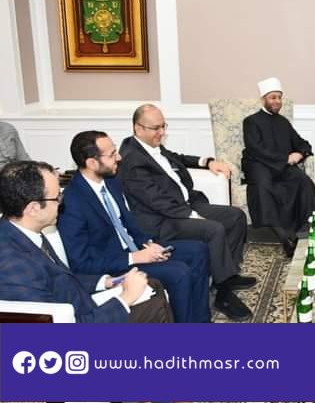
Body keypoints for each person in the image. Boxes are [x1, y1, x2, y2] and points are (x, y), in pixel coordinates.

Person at [119, 104, 255, 322]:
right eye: (155, 128)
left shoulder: (150, 145)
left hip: (184, 205)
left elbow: (177, 158)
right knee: (213, 229)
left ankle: (226, 275)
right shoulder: (132, 159)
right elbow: (156, 200)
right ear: (138, 128)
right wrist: (192, 215)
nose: (161, 132)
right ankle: (224, 294)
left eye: (163, 126)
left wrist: (207, 162)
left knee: (235, 217)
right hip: (163, 220)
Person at [59, 131, 211, 323]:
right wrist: (134, 257)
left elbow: (128, 222)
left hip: (136, 250)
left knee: (198, 250)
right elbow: (81, 263)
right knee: (178, 272)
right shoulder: (72, 202)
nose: (119, 157)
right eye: (112, 154)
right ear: (92, 163)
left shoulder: (111, 181)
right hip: (114, 265)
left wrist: (148, 243)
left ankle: (200, 322)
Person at [0, 160, 173, 323]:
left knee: (152, 286)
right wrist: (126, 298)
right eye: (57, 197)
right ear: (33, 208)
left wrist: (108, 281)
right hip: (82, 329)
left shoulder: (22, 231)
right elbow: (58, 333)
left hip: (79, 304)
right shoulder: (11, 264)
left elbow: (59, 280)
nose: (61, 202)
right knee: (153, 306)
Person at [241, 77, 315, 256]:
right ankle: (284, 235)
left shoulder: (283, 122)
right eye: (273, 97)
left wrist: (300, 153)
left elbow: (302, 143)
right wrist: (285, 158)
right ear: (263, 99)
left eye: (279, 97)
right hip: (258, 164)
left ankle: (312, 224)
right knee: (263, 186)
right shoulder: (251, 121)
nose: (277, 101)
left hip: (281, 165)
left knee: (302, 180)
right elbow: (256, 149)